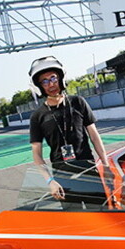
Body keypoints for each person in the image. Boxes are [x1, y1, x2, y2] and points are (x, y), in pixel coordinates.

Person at [28, 56, 109, 203]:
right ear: (40, 86)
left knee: (101, 213)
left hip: (88, 171)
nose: (51, 84)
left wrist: (106, 165)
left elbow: (94, 136)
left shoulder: (78, 102)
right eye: (44, 81)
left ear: (60, 78)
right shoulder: (37, 116)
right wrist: (50, 181)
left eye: (53, 78)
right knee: (74, 216)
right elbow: (37, 154)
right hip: (62, 177)